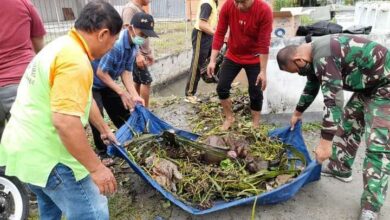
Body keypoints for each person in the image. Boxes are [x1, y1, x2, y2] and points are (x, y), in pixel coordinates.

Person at [0, 1, 123, 219]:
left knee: (50, 209)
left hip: (23, 151)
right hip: (49, 157)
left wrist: (104, 129)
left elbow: (84, 99)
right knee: (93, 212)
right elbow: (65, 123)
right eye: (112, 44)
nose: (110, 50)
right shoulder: (75, 62)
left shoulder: (61, 47)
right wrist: (96, 169)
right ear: (103, 34)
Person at [276, 34, 390, 220]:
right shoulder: (311, 55)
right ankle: (341, 168)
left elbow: (333, 101)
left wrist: (325, 143)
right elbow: (312, 85)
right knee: (349, 123)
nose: (299, 73)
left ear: (298, 59)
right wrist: (298, 112)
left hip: (385, 85)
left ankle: (371, 207)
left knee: (378, 146)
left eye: (296, 71)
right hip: (369, 85)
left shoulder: (323, 56)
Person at [91, 12, 158, 166]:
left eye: (146, 36)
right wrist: (121, 92)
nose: (143, 38)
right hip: (94, 82)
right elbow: (101, 72)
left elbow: (125, 72)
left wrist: (134, 95)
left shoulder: (134, 46)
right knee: (97, 116)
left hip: (108, 82)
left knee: (122, 112)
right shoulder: (117, 45)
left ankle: (128, 139)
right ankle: (102, 152)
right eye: (142, 33)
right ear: (130, 27)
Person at [207, 0, 273, 130]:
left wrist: (263, 71)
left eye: (241, 3)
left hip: (254, 58)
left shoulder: (264, 10)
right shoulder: (229, 5)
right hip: (233, 55)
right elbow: (220, 33)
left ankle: (255, 124)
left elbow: (264, 43)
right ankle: (229, 118)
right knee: (222, 87)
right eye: (236, 2)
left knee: (255, 92)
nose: (237, 6)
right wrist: (212, 60)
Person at [0, 0, 46, 139]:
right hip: (20, 83)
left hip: (18, 83)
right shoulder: (22, 3)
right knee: (31, 141)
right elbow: (39, 42)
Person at [184, 0, 218, 104]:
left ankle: (220, 82)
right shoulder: (207, 3)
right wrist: (217, 34)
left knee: (213, 58)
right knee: (197, 63)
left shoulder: (214, 3)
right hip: (201, 34)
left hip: (208, 35)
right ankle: (189, 94)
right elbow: (202, 24)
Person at [122, 0, 155, 107]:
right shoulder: (130, 9)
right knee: (146, 80)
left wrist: (148, 52)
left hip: (141, 53)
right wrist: (138, 55)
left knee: (137, 80)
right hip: (135, 54)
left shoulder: (139, 9)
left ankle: (135, 107)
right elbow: (128, 32)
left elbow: (143, 34)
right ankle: (145, 110)